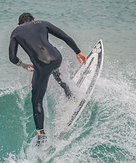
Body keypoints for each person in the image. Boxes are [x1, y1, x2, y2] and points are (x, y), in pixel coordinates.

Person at [9, 13, 87, 146]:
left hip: (41, 65)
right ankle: (69, 93)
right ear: (33, 20)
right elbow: (65, 37)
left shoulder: (16, 33)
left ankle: (41, 134)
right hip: (57, 57)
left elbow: (12, 58)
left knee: (37, 99)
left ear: (20, 24)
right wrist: (78, 52)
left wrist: (24, 65)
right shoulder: (42, 23)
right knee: (54, 69)